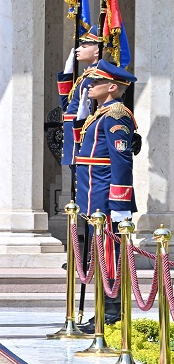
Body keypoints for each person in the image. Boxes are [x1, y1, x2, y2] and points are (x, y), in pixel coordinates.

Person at [75, 60, 137, 333]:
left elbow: (121, 161)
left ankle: (111, 313)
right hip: (94, 197)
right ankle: (103, 310)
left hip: (106, 200)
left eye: (96, 82)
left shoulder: (116, 115)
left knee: (109, 255)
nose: (89, 86)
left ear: (112, 87)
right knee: (98, 254)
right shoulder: (100, 114)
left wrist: (120, 203)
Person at [56, 26, 100, 180]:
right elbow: (68, 106)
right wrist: (67, 74)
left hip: (80, 134)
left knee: (83, 182)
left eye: (84, 46)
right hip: (73, 134)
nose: (77, 49)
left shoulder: (94, 78)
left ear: (97, 51)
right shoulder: (85, 76)